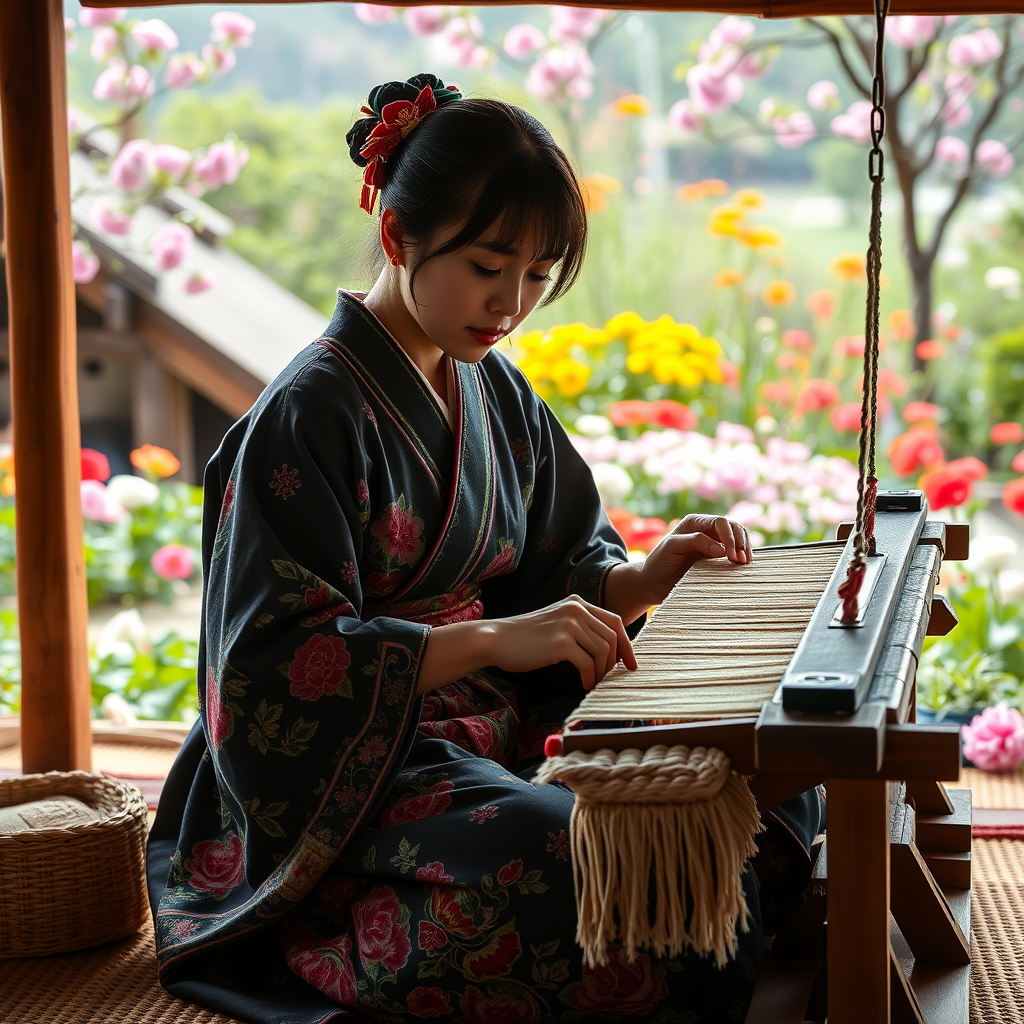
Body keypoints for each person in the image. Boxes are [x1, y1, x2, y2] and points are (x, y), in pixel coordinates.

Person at [148, 73, 822, 1024]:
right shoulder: (305, 416)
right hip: (369, 763)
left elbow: (561, 563)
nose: (511, 303)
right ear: (398, 237)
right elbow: (270, 672)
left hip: (501, 714)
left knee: (737, 775)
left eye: (538, 276)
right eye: (487, 265)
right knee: (592, 862)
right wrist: (494, 644)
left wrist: (642, 577)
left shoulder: (492, 389)